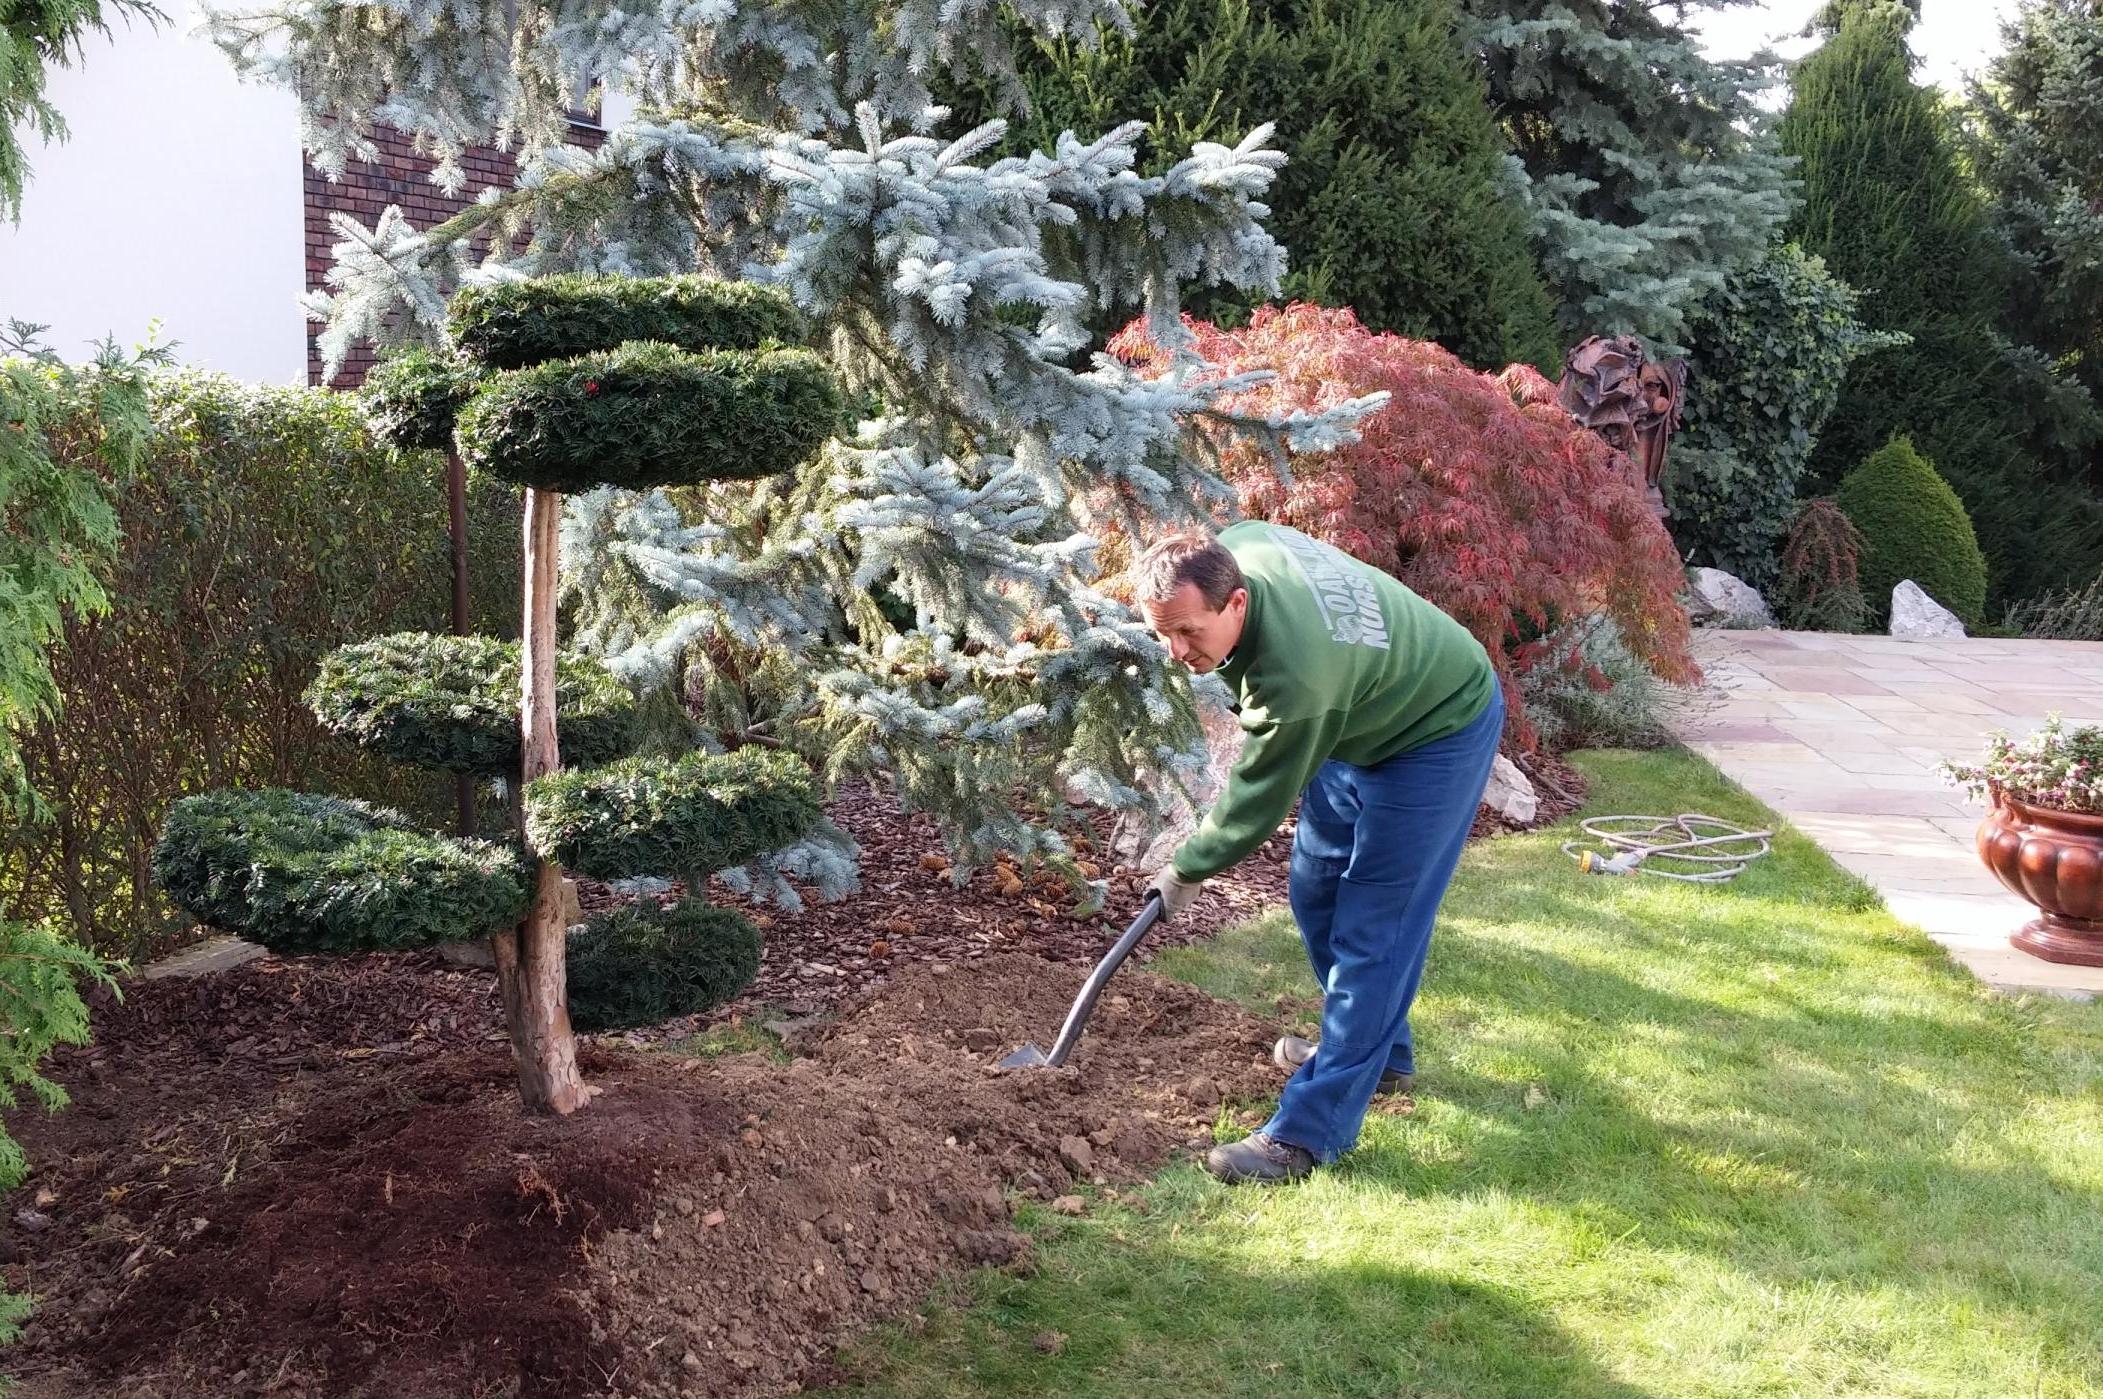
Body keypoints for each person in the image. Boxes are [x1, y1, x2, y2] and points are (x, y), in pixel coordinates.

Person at [1136, 522, 1502, 1184]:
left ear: (1237, 603)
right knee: (1315, 888)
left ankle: (1306, 1133)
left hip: (1436, 727)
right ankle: (1375, 1052)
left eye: (1189, 631)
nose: (1176, 650)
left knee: (1374, 928)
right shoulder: (1238, 545)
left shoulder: (1296, 681)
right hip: (1361, 712)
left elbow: (1254, 802)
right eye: (1164, 631)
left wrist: (1186, 867)